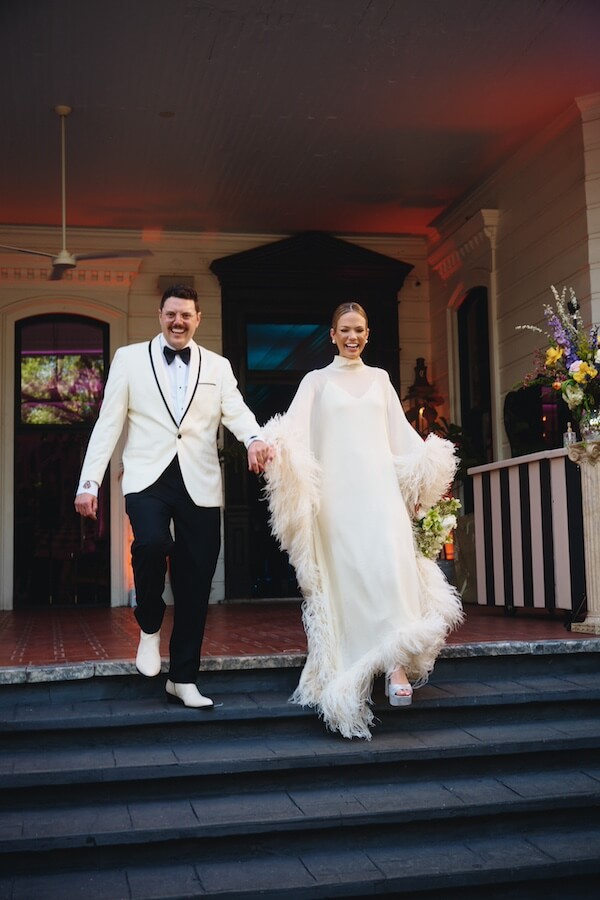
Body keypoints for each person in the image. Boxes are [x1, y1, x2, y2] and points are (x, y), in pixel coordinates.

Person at [262, 302, 463, 739]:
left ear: (367, 335)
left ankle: (395, 668)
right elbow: (290, 429)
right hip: (337, 500)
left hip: (381, 494)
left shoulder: (381, 380)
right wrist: (267, 445)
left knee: (391, 572)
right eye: (344, 330)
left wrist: (424, 472)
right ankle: (354, 666)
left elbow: (401, 436)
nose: (352, 337)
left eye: (359, 330)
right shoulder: (315, 382)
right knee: (350, 581)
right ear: (331, 334)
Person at [75, 284, 271, 708]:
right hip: (147, 476)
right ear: (160, 316)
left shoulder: (217, 367)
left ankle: (182, 679)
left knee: (195, 583)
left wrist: (255, 438)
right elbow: (108, 424)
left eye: (186, 315)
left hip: (199, 482)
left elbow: (236, 411)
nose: (178, 321)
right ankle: (148, 625)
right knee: (150, 543)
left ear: (197, 319)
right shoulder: (129, 359)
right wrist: (88, 482)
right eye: (171, 314)